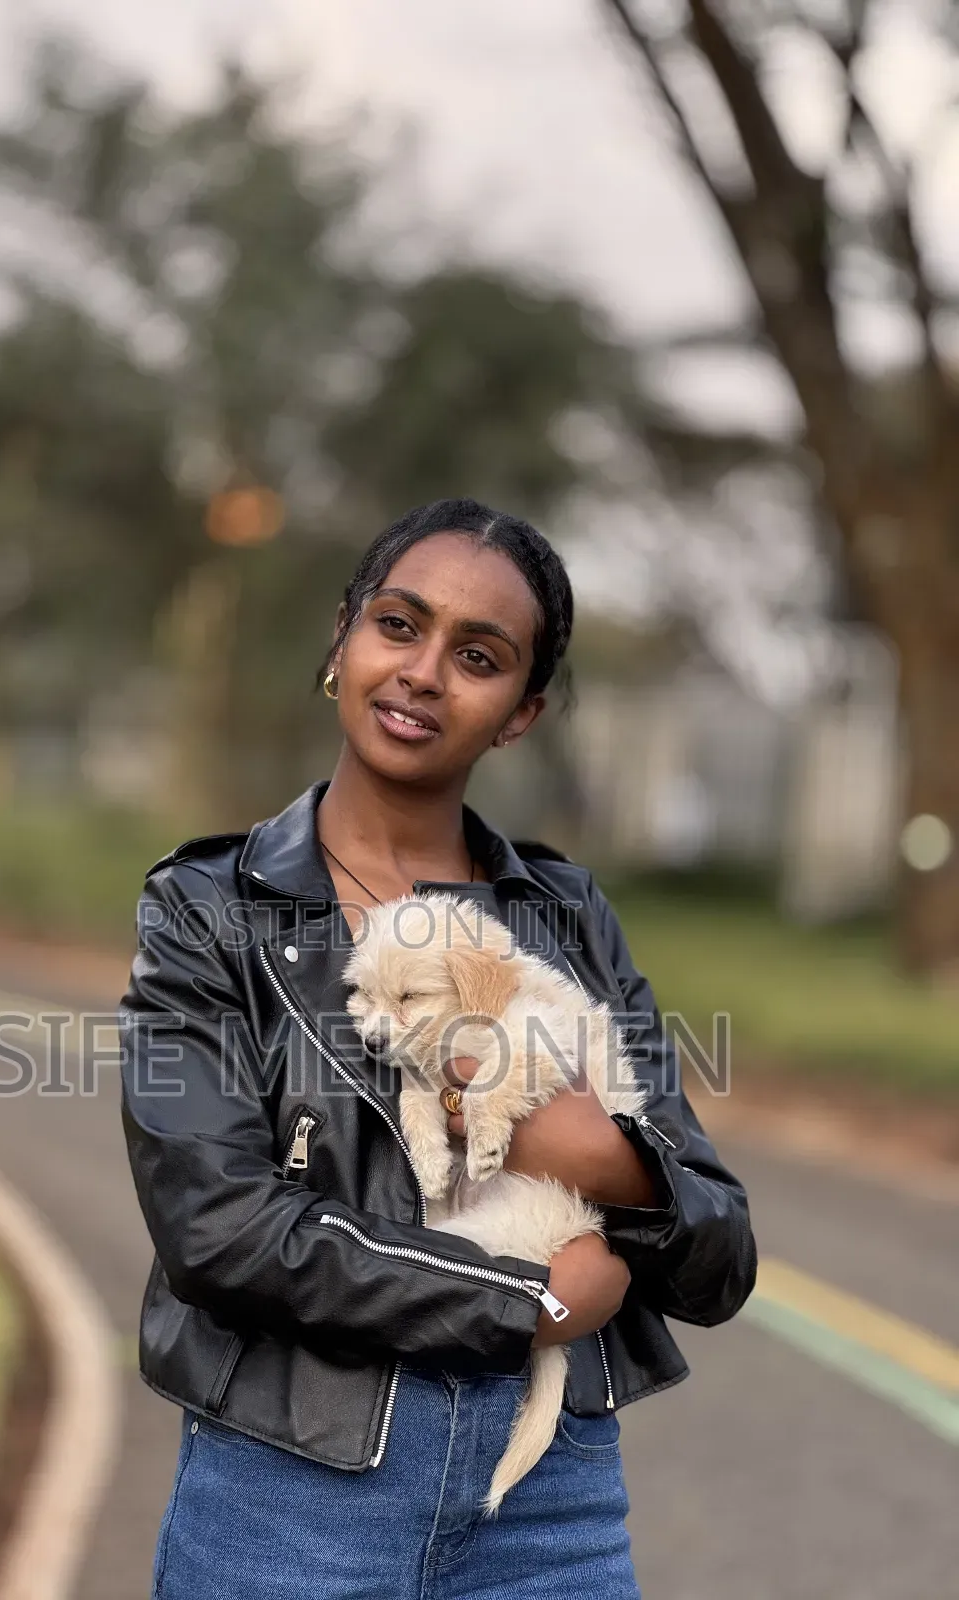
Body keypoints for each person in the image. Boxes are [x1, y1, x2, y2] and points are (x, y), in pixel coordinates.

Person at [119, 497, 757, 1599]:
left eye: (479, 656)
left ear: (520, 712)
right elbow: (219, 1229)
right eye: (399, 624)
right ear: (343, 637)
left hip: (546, 1507)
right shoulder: (211, 905)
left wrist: (598, 1159)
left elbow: (720, 1250)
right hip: (292, 1493)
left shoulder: (562, 915)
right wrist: (532, 1304)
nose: (422, 671)